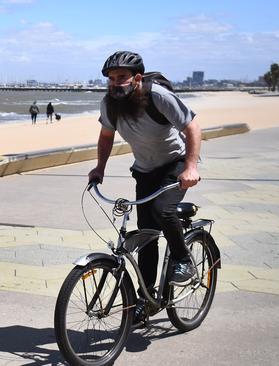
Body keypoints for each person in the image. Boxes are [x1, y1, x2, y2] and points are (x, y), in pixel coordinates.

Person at [87, 51, 202, 324]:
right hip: (145, 170)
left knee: (163, 211)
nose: (115, 83)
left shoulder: (157, 96)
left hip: (175, 164)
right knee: (147, 236)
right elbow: (105, 137)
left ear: (137, 78)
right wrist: (99, 168)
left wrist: (191, 166)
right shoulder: (110, 104)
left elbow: (192, 127)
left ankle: (183, 260)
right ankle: (146, 299)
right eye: (111, 78)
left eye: (122, 78)